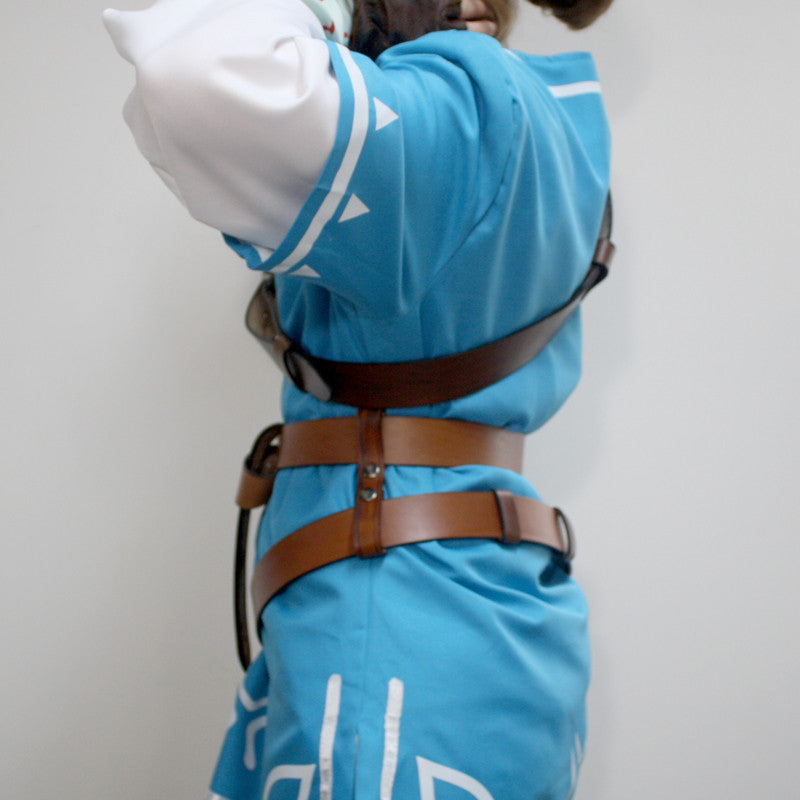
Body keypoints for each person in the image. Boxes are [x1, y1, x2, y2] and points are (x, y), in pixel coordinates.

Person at [103, 0, 614, 796]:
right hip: (486, 621)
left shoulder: (458, 105)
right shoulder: (548, 119)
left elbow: (194, 72)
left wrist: (335, 8)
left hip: (395, 630)